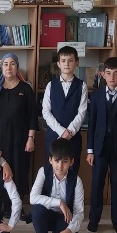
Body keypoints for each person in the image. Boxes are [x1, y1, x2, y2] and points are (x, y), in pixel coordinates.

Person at [86, 57, 117, 233]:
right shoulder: (96, 95)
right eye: (108, 73)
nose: (112, 77)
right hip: (99, 149)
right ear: (103, 74)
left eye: (116, 73)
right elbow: (92, 124)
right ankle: (94, 220)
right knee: (97, 185)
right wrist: (90, 150)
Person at [0, 53, 38, 219]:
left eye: (12, 63)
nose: (9, 67)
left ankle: (17, 207)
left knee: (19, 171)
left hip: (21, 139)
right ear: (1, 68)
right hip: (0, 139)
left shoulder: (25, 89)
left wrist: (31, 138)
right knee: (1, 171)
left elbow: (32, 116)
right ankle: (4, 206)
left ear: (17, 67)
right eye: (5, 64)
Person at [31, 138, 84, 233]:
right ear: (50, 160)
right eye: (56, 160)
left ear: (71, 162)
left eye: (65, 161)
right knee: (36, 210)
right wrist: (59, 202)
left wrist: (68, 231)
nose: (60, 166)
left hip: (64, 218)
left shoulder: (76, 181)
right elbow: (33, 198)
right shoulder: (43, 172)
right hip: (47, 214)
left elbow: (79, 212)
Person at [42, 46, 88, 175]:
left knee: (72, 171)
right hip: (54, 136)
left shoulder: (82, 86)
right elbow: (46, 111)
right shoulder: (51, 85)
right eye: (63, 60)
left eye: (70, 60)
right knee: (51, 172)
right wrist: (62, 131)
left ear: (76, 62)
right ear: (58, 64)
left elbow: (82, 112)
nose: (66, 64)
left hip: (73, 138)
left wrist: (70, 132)